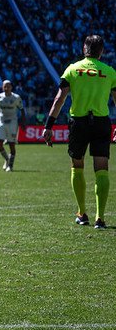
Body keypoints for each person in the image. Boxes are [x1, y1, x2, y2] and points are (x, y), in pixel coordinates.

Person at [42, 34, 116, 229]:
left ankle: (82, 213)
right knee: (102, 167)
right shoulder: (109, 72)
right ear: (101, 51)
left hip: (79, 122)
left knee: (77, 165)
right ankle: (100, 218)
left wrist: (49, 126)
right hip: (101, 122)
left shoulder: (73, 69)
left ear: (85, 48)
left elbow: (60, 99)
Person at [0, 79, 25, 172]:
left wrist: (23, 122)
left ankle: (10, 165)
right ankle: (7, 159)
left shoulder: (16, 97)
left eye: (8, 86)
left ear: (11, 87)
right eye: (5, 86)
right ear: (2, 87)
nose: (6, 88)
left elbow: (22, 109)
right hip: (1, 122)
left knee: (11, 144)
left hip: (13, 123)